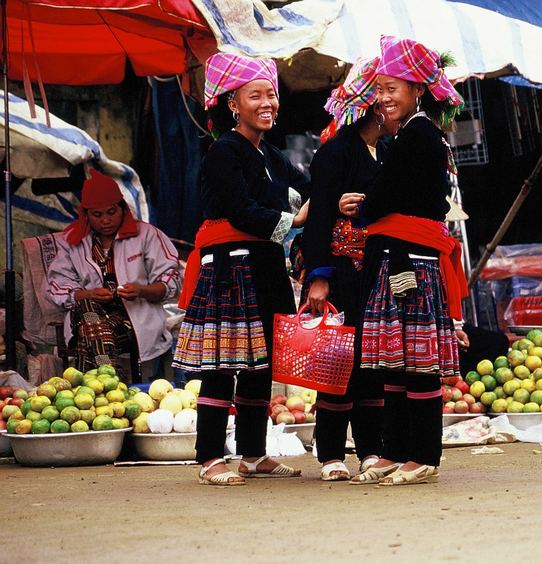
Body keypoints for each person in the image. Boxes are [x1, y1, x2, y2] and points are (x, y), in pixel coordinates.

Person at [173, 52, 309, 486]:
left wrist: (330, 194)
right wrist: (298, 219)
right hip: (230, 268)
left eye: (272, 93)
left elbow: (302, 189)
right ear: (233, 102)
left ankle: (253, 454)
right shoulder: (223, 152)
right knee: (222, 364)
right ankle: (210, 457)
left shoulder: (270, 153)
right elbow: (242, 210)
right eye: (256, 95)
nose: (268, 102)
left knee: (261, 363)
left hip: (265, 264)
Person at [347, 35, 468, 486]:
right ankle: (396, 450)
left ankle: (424, 456)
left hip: (410, 263)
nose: (382, 98)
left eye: (391, 88)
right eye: (378, 90)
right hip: (398, 257)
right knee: (395, 361)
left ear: (417, 89)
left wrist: (360, 206)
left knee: (416, 362)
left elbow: (383, 199)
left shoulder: (418, 135)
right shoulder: (410, 136)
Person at [302, 57, 398, 481]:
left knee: (373, 362)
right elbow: (319, 217)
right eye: (383, 98)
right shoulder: (334, 152)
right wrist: (319, 277)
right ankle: (330, 455)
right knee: (338, 362)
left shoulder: (391, 151)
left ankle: (371, 451)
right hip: (341, 271)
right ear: (370, 105)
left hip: (378, 273)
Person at [47, 171, 181, 377]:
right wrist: (88, 294)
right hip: (87, 315)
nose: (106, 220)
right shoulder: (71, 241)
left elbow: (171, 280)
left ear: (122, 208)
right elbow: (56, 285)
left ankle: (103, 379)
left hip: (134, 318)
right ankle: (109, 375)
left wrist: (141, 290)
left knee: (89, 333)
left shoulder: (147, 235)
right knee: (87, 306)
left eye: (111, 212)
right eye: (97, 215)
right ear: (86, 214)